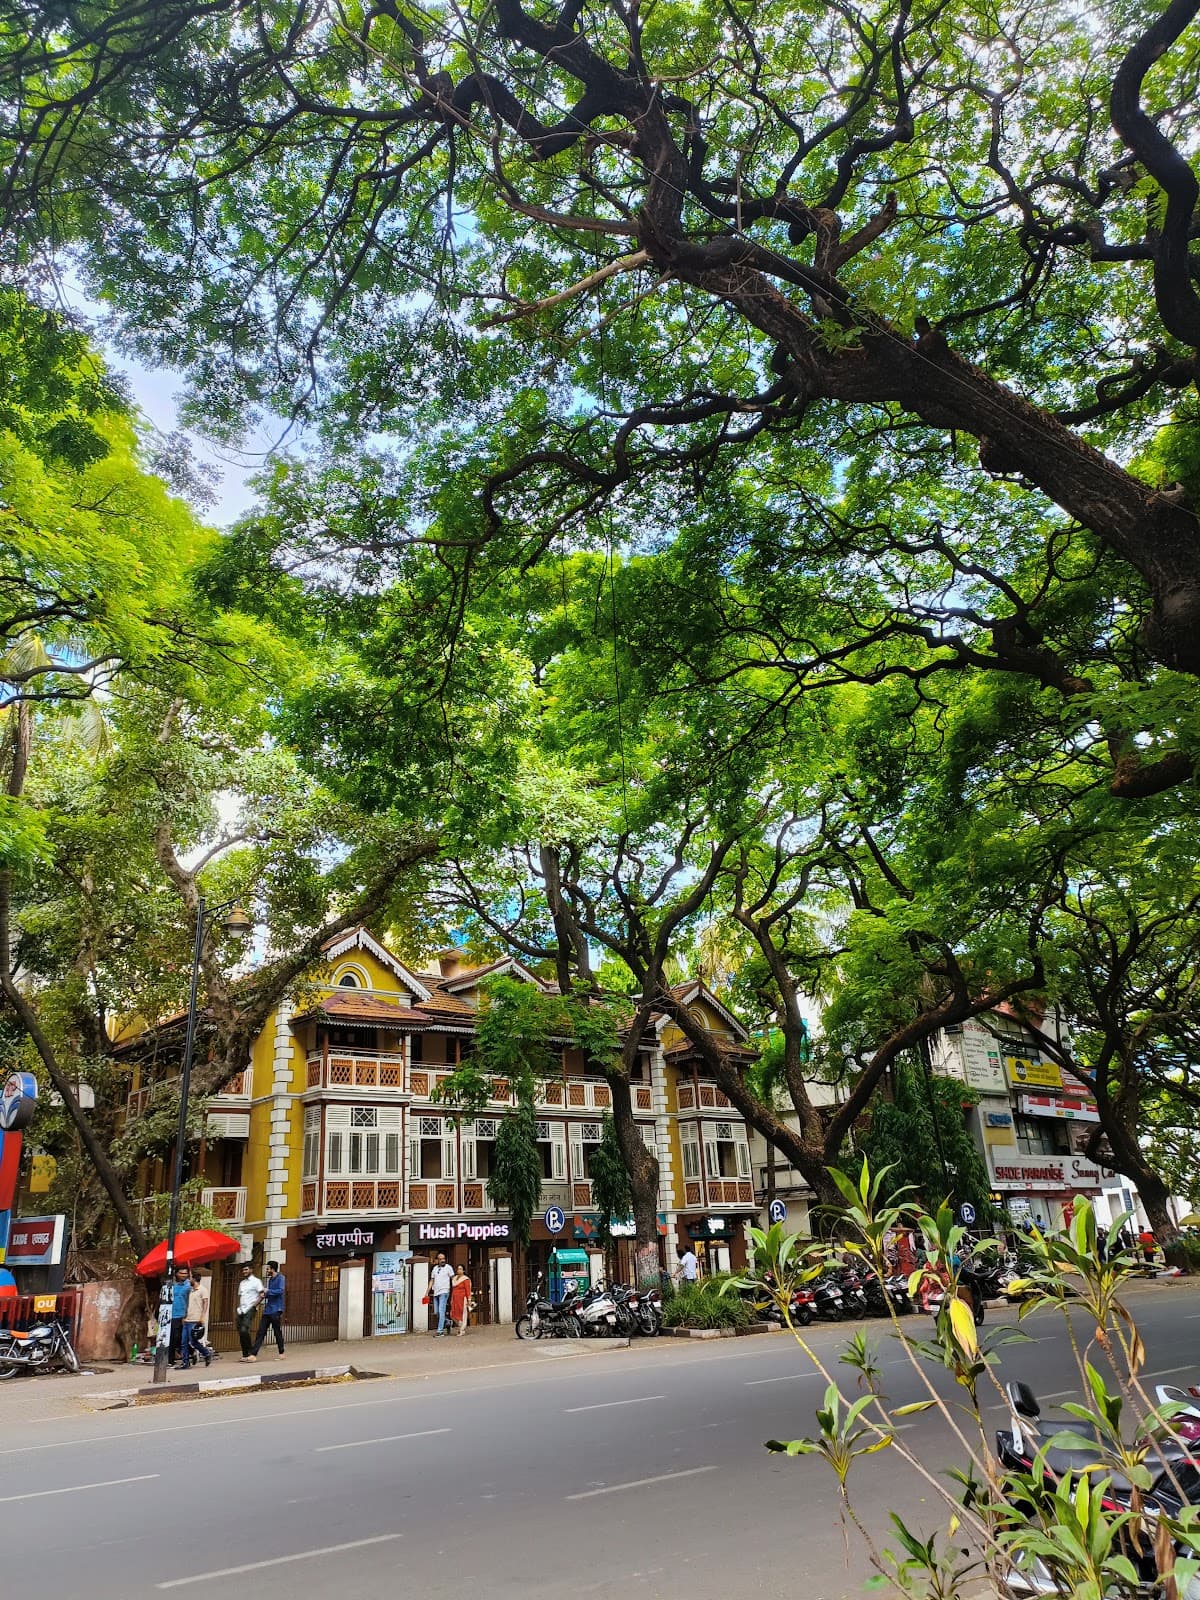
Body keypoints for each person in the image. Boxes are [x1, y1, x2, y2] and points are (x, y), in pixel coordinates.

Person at [249, 1260, 286, 1360]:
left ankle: (281, 1352)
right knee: (261, 1331)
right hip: (268, 1309)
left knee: (277, 1331)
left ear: (273, 1269)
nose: (267, 1270)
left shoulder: (281, 1278)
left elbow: (280, 1291)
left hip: (276, 1309)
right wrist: (263, 1295)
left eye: (268, 1268)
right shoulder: (270, 1280)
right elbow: (269, 1293)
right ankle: (253, 1354)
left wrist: (268, 1291)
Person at [180, 1272, 212, 1370]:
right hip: (187, 1319)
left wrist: (202, 1317)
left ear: (194, 1279)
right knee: (183, 1342)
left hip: (195, 1319)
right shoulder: (190, 1291)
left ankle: (206, 1353)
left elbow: (205, 1304)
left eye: (190, 1279)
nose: (189, 1281)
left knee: (193, 1342)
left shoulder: (202, 1290)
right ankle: (185, 1362)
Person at [236, 1263, 264, 1360]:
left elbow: (262, 1295)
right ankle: (245, 1354)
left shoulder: (256, 1281)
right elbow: (240, 1296)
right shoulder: (242, 1283)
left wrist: (254, 1306)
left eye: (246, 1269)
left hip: (250, 1309)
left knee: (244, 1329)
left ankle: (250, 1352)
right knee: (241, 1331)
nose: (244, 1272)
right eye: (243, 1270)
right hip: (241, 1310)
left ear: (251, 1270)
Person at [169, 1264, 192, 1366]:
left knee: (184, 1337)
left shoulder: (189, 1285)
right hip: (172, 1314)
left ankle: (191, 1352)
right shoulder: (171, 1285)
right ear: (176, 1274)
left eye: (185, 1273)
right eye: (181, 1273)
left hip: (184, 1314)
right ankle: (170, 1359)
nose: (183, 1275)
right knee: (173, 1338)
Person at [429, 1254, 453, 1334]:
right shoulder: (435, 1269)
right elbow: (432, 1280)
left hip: (444, 1291)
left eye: (443, 1258)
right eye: (440, 1259)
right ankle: (448, 1322)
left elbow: (453, 1279)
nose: (442, 1260)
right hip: (436, 1292)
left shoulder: (448, 1267)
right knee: (437, 1312)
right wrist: (427, 1292)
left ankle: (440, 1331)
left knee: (441, 1311)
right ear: (437, 1260)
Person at [450, 1264, 472, 1337]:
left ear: (463, 1270)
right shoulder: (454, 1278)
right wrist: (452, 1299)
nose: (459, 1270)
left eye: (460, 1269)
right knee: (453, 1314)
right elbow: (453, 1290)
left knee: (463, 1314)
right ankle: (460, 1326)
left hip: (463, 1299)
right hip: (455, 1298)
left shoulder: (465, 1279)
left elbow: (468, 1290)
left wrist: (469, 1299)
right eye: (458, 1269)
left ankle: (462, 1329)